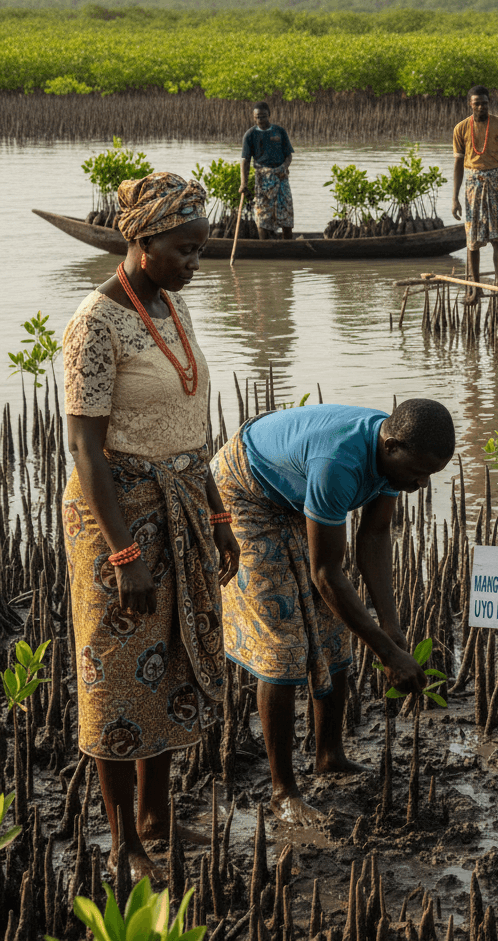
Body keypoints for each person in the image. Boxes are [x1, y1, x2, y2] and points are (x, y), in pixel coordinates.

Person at [62, 172, 240, 885]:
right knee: (114, 672)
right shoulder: (93, 325)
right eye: (185, 249)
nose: (195, 264)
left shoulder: (171, 306)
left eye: (200, 250)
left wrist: (218, 514)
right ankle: (122, 841)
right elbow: (84, 448)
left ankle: (157, 817)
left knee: (168, 663)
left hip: (182, 503)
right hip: (118, 517)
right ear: (141, 241)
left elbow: (191, 425)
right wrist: (124, 554)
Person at [212, 399, 455, 824]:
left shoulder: (394, 458)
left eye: (429, 475)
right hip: (245, 492)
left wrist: (391, 626)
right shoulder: (338, 463)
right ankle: (282, 791)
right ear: (392, 445)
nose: (420, 485)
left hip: (291, 492)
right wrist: (385, 654)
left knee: (334, 632)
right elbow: (326, 575)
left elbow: (375, 538)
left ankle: (329, 755)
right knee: (283, 646)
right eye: (417, 472)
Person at [451, 86, 498, 302]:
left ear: (489, 103)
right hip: (472, 186)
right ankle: (475, 288)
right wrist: (454, 198)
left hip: (496, 185)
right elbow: (458, 164)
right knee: (472, 240)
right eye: (477, 103)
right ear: (470, 104)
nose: (481, 107)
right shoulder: (460, 128)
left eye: (484, 103)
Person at [240, 101, 295, 241]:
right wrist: (243, 183)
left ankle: (288, 244)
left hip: (281, 176)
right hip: (262, 179)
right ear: (253, 117)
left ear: (269, 115)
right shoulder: (250, 135)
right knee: (262, 214)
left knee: (286, 212)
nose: (260, 120)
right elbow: (245, 161)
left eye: (263, 116)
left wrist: (284, 167)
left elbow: (288, 155)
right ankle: (264, 246)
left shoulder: (279, 131)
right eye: (257, 117)